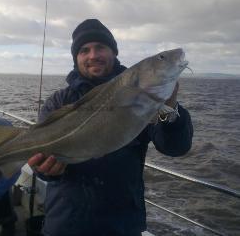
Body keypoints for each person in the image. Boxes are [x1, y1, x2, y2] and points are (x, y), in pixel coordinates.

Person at [28, 19, 194, 236]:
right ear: (76, 58)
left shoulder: (145, 98)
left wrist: (168, 110)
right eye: (84, 50)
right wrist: (45, 171)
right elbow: (43, 165)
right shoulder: (58, 102)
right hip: (65, 224)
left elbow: (174, 148)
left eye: (100, 47)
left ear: (114, 52)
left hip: (121, 225)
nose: (93, 55)